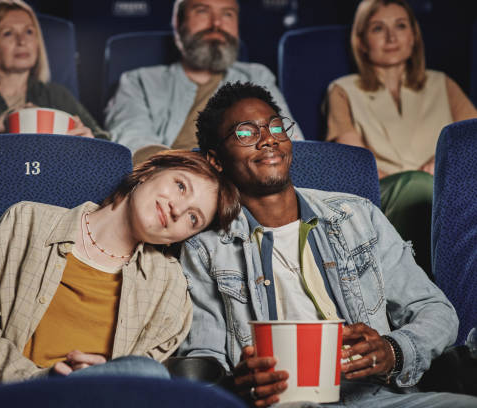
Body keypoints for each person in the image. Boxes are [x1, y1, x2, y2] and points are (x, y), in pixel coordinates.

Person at [178, 81, 477, 407]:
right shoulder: (205, 248)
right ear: (216, 159)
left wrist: (394, 350)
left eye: (275, 126)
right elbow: (204, 355)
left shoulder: (357, 215)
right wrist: (235, 385)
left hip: (375, 397)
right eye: (246, 133)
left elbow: (436, 311)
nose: (268, 139)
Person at [0, 150, 240, 387]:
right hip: (14, 398)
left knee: (148, 375)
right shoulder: (27, 222)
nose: (177, 209)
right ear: (149, 172)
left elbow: (143, 386)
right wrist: (39, 381)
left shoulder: (170, 288)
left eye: (193, 219)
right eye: (180, 186)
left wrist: (106, 378)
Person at [325, 0, 477, 278]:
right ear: (361, 41)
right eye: (378, 28)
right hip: (382, 192)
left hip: (444, 189)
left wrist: (443, 165)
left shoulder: (442, 83)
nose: (391, 37)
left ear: (413, 36)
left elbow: (471, 140)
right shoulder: (342, 90)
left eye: (400, 26)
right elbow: (355, 164)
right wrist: (420, 179)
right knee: (419, 186)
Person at [105, 0, 303, 164]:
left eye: (228, 14)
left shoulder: (258, 77)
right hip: (173, 185)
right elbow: (134, 143)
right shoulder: (138, 81)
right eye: (202, 11)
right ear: (178, 23)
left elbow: (289, 141)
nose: (216, 23)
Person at [0, 0, 107, 145]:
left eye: (29, 32)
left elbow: (106, 144)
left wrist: (90, 143)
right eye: (8, 33)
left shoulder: (57, 96)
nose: (22, 41)